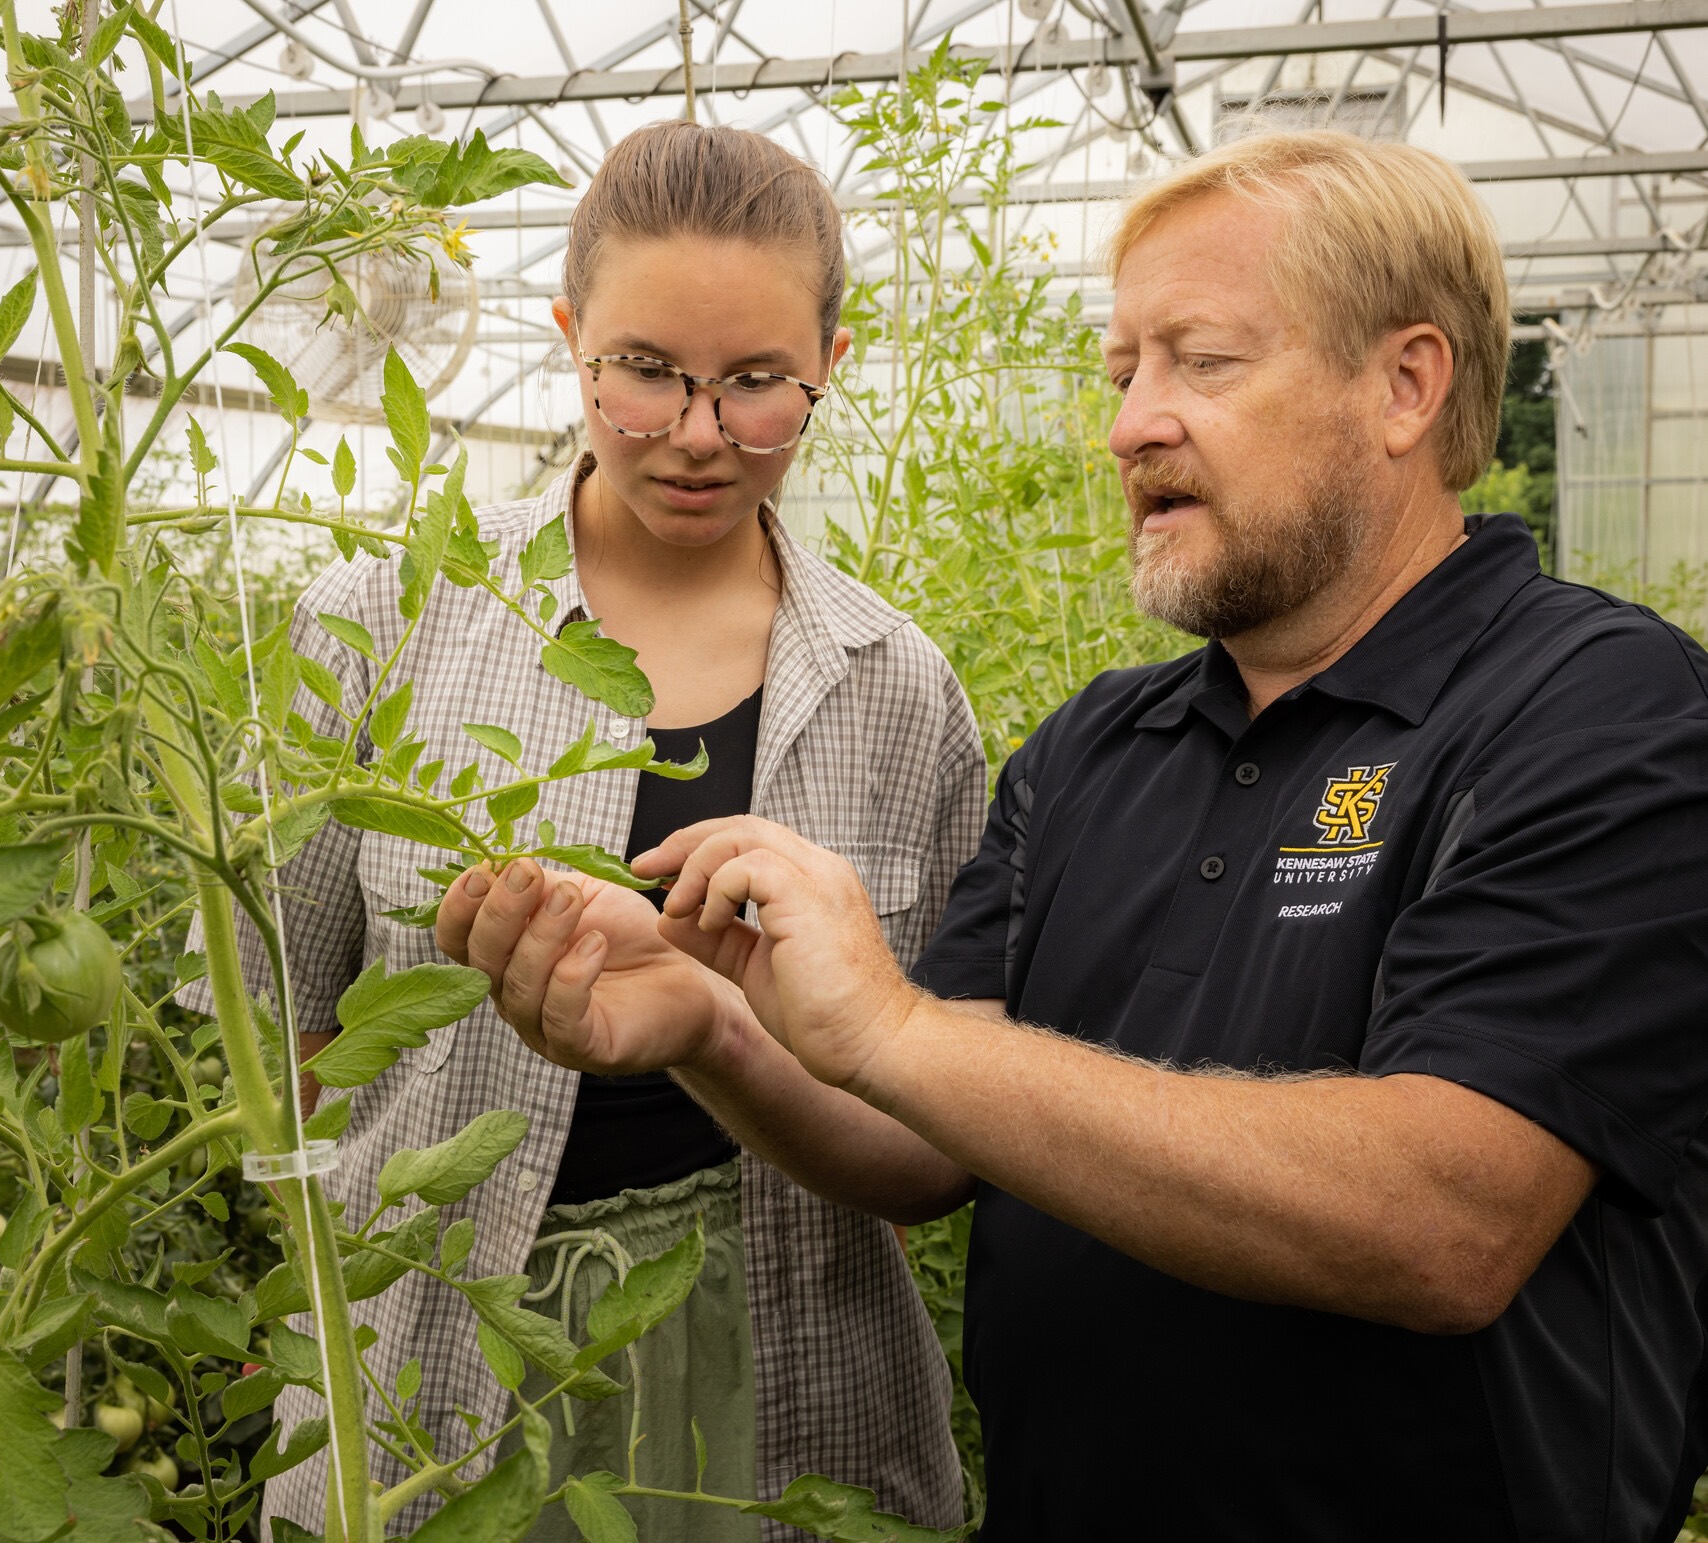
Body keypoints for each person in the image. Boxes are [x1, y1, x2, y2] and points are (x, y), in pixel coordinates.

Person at [438, 129, 1708, 1543]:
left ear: (1406, 385)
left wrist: (895, 1030)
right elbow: (926, 1148)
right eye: (1122, 374)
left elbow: (1447, 1218)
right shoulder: (1099, 749)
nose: (1130, 426)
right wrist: (712, 1023)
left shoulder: (1594, 711)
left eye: (1202, 364)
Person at [182, 121, 982, 1539]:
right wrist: (391, 1187)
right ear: (570, 341)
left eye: (757, 386)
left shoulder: (898, 688)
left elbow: (934, 1137)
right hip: (433, 1355)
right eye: (647, 373)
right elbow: (281, 1030)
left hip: (782, 1360)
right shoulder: (383, 624)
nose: (696, 433)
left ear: (829, 370)